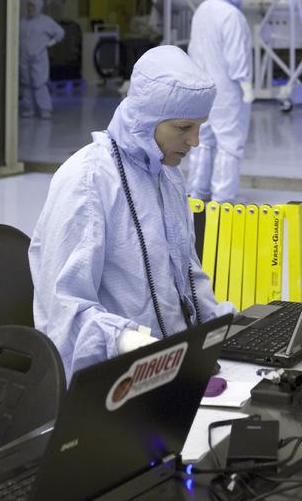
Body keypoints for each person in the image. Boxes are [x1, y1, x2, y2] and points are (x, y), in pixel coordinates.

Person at [29, 45, 233, 381]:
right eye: (183, 128)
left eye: (199, 127)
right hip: (114, 375)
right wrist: (131, 342)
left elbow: (186, 273)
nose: (194, 141)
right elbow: (63, 311)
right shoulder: (87, 181)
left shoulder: (166, 173)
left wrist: (224, 325)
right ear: (147, 119)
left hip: (174, 363)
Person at [184, 0, 254, 204]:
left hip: (201, 87)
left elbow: (194, 49)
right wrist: (245, 84)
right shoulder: (232, 15)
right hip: (227, 90)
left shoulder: (202, 10)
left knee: (201, 140)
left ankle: (198, 192)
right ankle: (223, 199)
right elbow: (236, 55)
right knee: (229, 144)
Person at [18, 0, 65, 119]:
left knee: (39, 84)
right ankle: (29, 109)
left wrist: (51, 42)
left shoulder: (46, 21)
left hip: (38, 58)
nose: (30, 9)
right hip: (24, 58)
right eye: (28, 6)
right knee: (25, 84)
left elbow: (60, 32)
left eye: (32, 6)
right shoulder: (22, 22)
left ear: (38, 7)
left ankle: (44, 109)